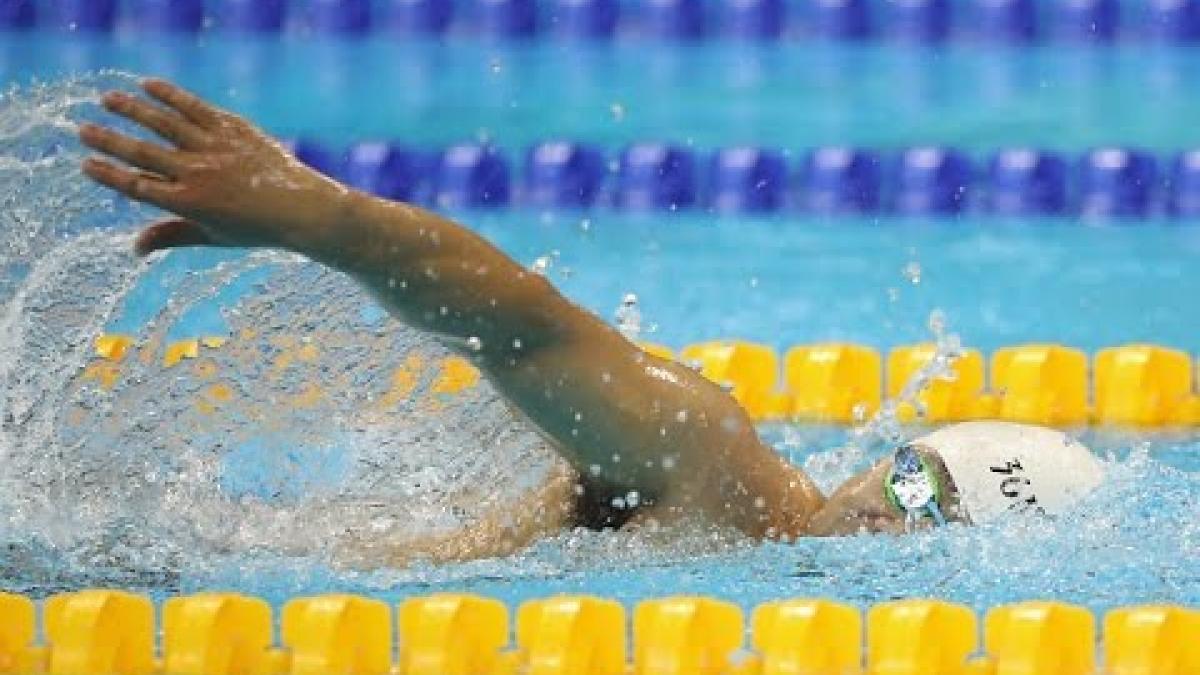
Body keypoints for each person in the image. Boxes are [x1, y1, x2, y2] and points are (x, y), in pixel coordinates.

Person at [77, 79, 1104, 565]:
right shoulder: (722, 468)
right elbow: (529, 326)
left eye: (936, 522)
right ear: (893, 456)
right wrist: (325, 217)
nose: (894, 514)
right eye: (916, 479)